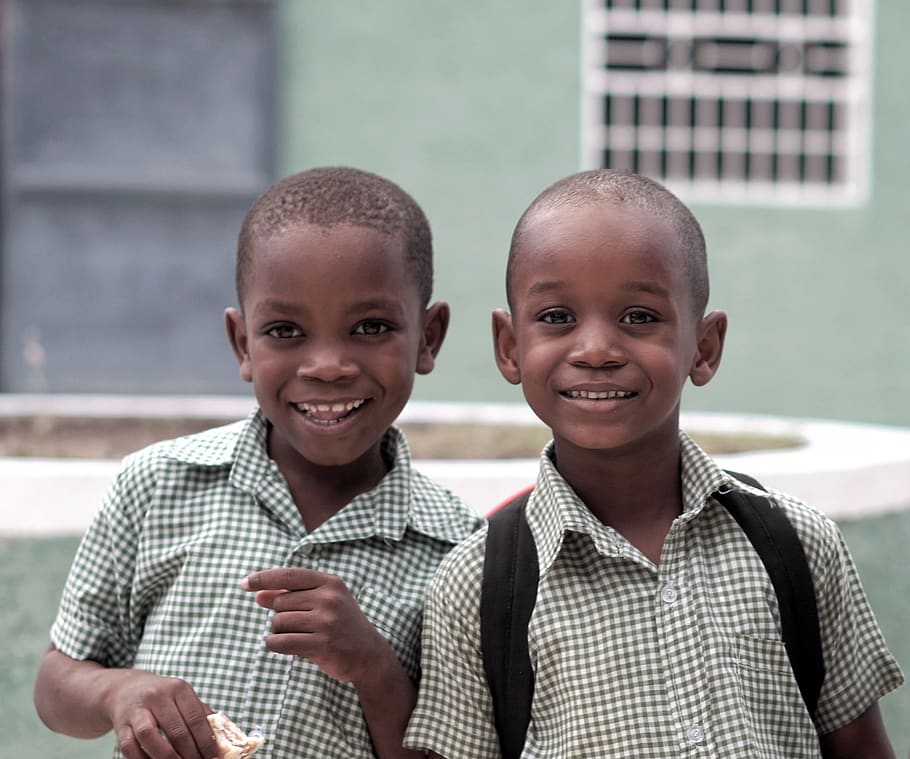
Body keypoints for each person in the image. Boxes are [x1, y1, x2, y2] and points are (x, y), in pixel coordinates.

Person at [405, 168, 904, 758]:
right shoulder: (479, 586)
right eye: (557, 317)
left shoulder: (795, 544)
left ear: (705, 346)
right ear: (510, 346)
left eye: (639, 317)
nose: (595, 350)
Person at [33, 166, 483, 759]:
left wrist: (374, 667)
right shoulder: (157, 486)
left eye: (370, 327)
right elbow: (55, 687)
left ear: (428, 337)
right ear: (242, 343)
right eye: (285, 330)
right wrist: (118, 692)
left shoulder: (458, 551)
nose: (327, 365)